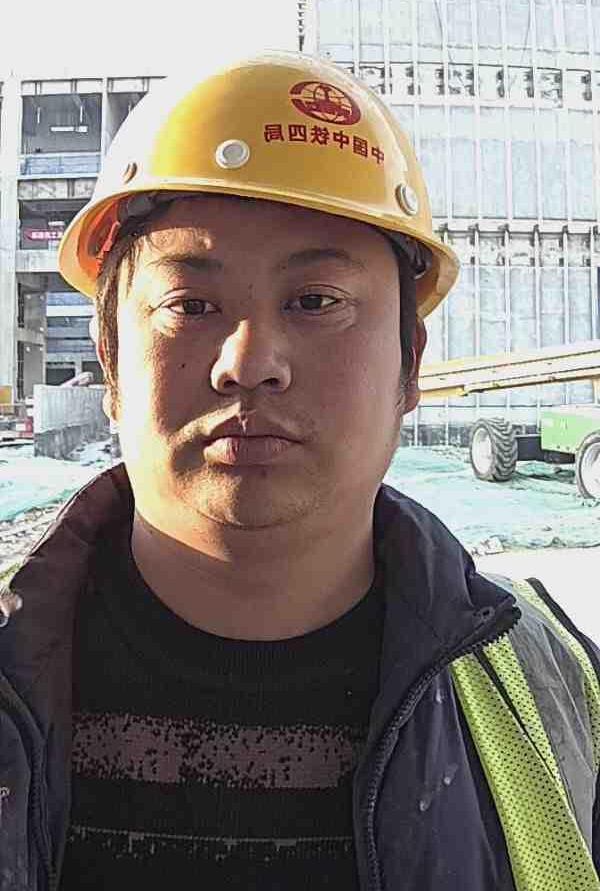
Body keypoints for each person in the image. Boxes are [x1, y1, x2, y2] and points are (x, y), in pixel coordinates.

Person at [0, 53, 598, 891]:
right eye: (191, 306)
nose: (250, 364)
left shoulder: (553, 686)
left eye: (316, 301)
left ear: (410, 361)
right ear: (110, 360)